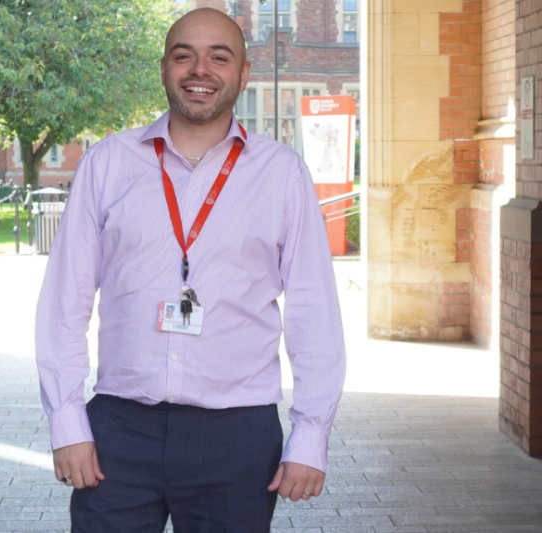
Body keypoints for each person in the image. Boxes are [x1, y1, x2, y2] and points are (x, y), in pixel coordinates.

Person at [36, 7, 345, 532]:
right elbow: (65, 301)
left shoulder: (282, 173)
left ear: (242, 74)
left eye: (219, 57)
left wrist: (311, 435)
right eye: (184, 56)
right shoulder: (107, 164)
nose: (200, 70)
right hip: (118, 432)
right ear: (164, 68)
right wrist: (68, 424)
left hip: (238, 437)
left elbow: (313, 310)